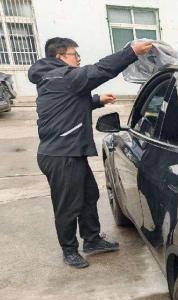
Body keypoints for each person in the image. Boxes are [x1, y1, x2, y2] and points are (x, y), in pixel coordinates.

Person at [28, 38, 153, 268]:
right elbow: (101, 70)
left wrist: (96, 101)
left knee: (88, 195)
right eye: (74, 54)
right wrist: (131, 52)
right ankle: (69, 250)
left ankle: (92, 240)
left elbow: (66, 105)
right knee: (68, 206)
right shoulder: (65, 77)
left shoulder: (53, 78)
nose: (78, 59)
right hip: (62, 155)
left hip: (69, 152)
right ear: (60, 57)